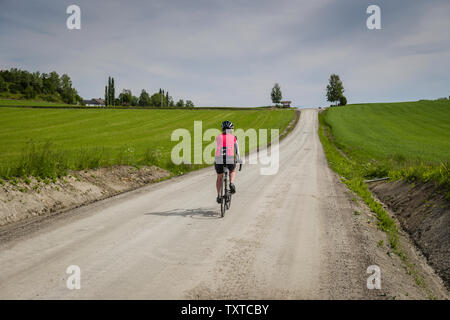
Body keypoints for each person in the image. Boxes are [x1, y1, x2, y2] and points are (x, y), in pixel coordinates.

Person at [215, 120, 241, 203]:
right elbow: (237, 150)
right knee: (232, 171)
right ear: (231, 129)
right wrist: (239, 159)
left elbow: (218, 147)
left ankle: (219, 196)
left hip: (219, 158)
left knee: (219, 177)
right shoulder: (234, 137)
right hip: (230, 158)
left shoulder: (218, 137)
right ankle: (231, 183)